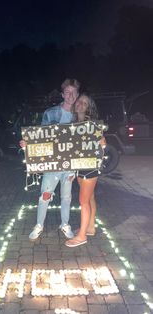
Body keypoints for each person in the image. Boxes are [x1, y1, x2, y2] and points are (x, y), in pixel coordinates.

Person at [20, 78, 80, 240]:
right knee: (45, 195)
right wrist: (28, 143)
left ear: (77, 94)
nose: (71, 95)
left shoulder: (80, 116)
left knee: (66, 197)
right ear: (62, 94)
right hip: (52, 165)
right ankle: (39, 225)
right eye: (67, 92)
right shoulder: (50, 113)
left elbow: (84, 140)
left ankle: (65, 224)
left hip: (70, 165)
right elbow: (40, 136)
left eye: (74, 92)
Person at [65, 93, 106, 248]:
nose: (80, 104)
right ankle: (90, 227)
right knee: (90, 198)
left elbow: (102, 145)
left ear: (89, 107)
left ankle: (81, 236)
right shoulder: (73, 123)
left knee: (83, 201)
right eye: (79, 101)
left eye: (85, 102)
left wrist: (102, 143)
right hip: (79, 166)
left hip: (90, 167)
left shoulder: (93, 124)